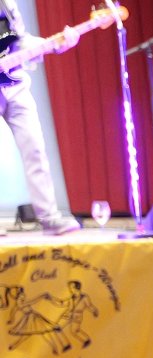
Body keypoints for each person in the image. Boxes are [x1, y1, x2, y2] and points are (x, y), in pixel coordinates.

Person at [1, 0, 81, 235]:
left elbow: (21, 40)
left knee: (35, 149)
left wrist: (56, 44)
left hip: (15, 83)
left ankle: (49, 218)